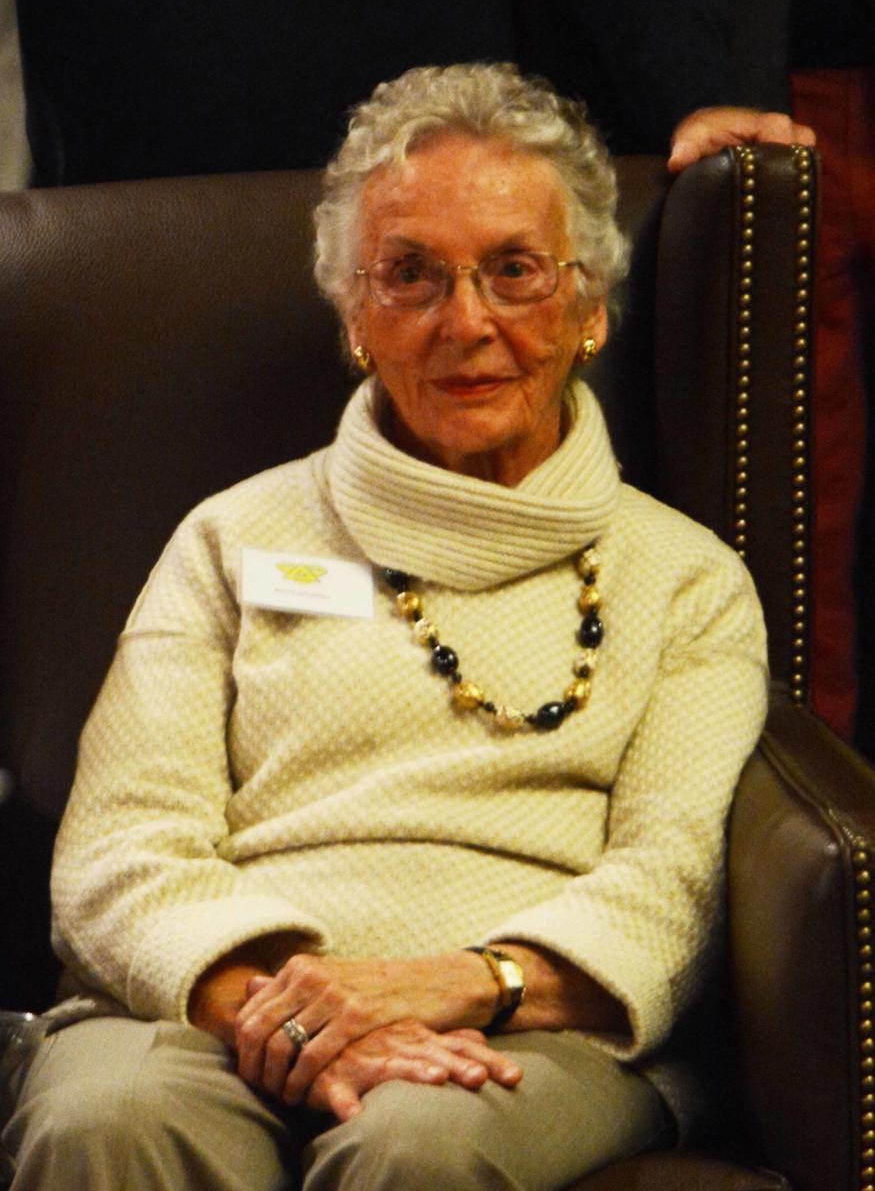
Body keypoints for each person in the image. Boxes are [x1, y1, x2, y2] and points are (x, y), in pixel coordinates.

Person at [2, 64, 768, 1190]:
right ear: (355, 316)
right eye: (409, 275)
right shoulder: (229, 537)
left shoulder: (688, 580)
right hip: (213, 1007)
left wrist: (459, 984)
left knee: (419, 1145)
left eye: (514, 270)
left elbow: (673, 883)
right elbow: (120, 850)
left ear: (591, 306)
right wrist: (291, 1013)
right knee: (105, 1121)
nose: (467, 322)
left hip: (527, 1029)